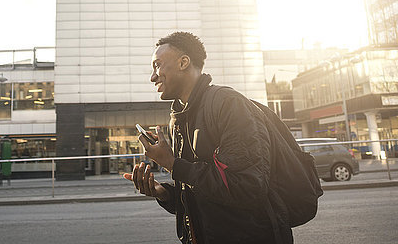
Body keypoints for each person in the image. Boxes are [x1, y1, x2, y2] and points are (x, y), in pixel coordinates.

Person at [124, 32, 293, 244]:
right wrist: (164, 193)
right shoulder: (178, 119)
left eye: (157, 65)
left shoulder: (228, 104)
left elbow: (247, 188)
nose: (152, 76)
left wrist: (171, 163)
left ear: (184, 62)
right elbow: (203, 198)